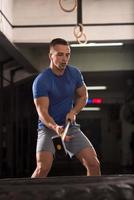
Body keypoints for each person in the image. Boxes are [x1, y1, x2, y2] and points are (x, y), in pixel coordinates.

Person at [31, 38, 101, 178]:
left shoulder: (74, 73)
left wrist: (73, 111)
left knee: (93, 164)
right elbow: (42, 111)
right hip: (48, 128)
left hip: (70, 126)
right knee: (42, 168)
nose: (64, 59)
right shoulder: (42, 81)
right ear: (51, 56)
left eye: (67, 54)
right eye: (60, 54)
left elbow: (83, 96)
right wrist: (56, 127)